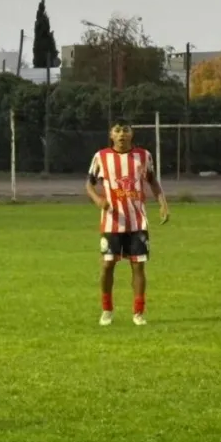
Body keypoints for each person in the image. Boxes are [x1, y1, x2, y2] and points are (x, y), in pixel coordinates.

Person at [85, 120, 170, 327]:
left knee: (138, 266)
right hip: (112, 221)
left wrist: (163, 204)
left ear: (131, 134)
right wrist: (98, 200)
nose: (121, 134)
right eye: (117, 131)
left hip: (137, 221)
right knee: (107, 265)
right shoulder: (101, 157)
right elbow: (89, 183)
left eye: (125, 130)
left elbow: (152, 181)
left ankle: (138, 313)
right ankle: (107, 310)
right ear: (111, 135)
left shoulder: (143, 156)